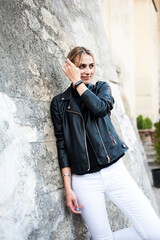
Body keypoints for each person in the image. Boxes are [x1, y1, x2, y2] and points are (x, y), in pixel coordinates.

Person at [50, 46, 160, 240]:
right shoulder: (59, 103)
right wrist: (68, 188)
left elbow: (100, 108)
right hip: (84, 180)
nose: (88, 71)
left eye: (91, 65)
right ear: (71, 67)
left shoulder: (102, 89)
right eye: (81, 66)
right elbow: (62, 146)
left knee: (154, 231)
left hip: (115, 172)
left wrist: (77, 82)